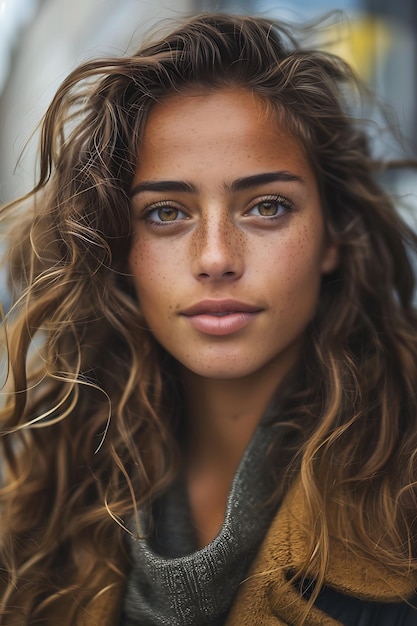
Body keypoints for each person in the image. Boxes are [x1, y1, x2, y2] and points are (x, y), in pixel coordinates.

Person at [1, 11, 417, 626]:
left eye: (267, 206)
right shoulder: (44, 497)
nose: (217, 257)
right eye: (167, 213)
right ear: (120, 247)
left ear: (333, 233)